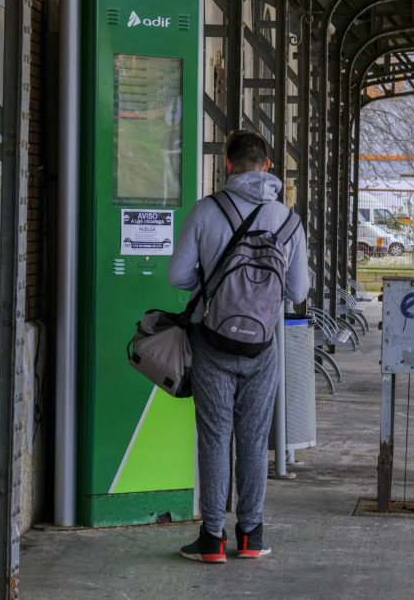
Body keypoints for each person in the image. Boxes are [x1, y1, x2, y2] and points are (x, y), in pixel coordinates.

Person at [167, 130, 309, 563]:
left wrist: (210, 287)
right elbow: (298, 290)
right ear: (267, 167)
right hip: (262, 348)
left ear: (227, 165)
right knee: (252, 438)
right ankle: (251, 535)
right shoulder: (288, 220)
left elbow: (177, 276)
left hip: (211, 342)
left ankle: (212, 538)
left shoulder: (206, 211)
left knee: (214, 439)